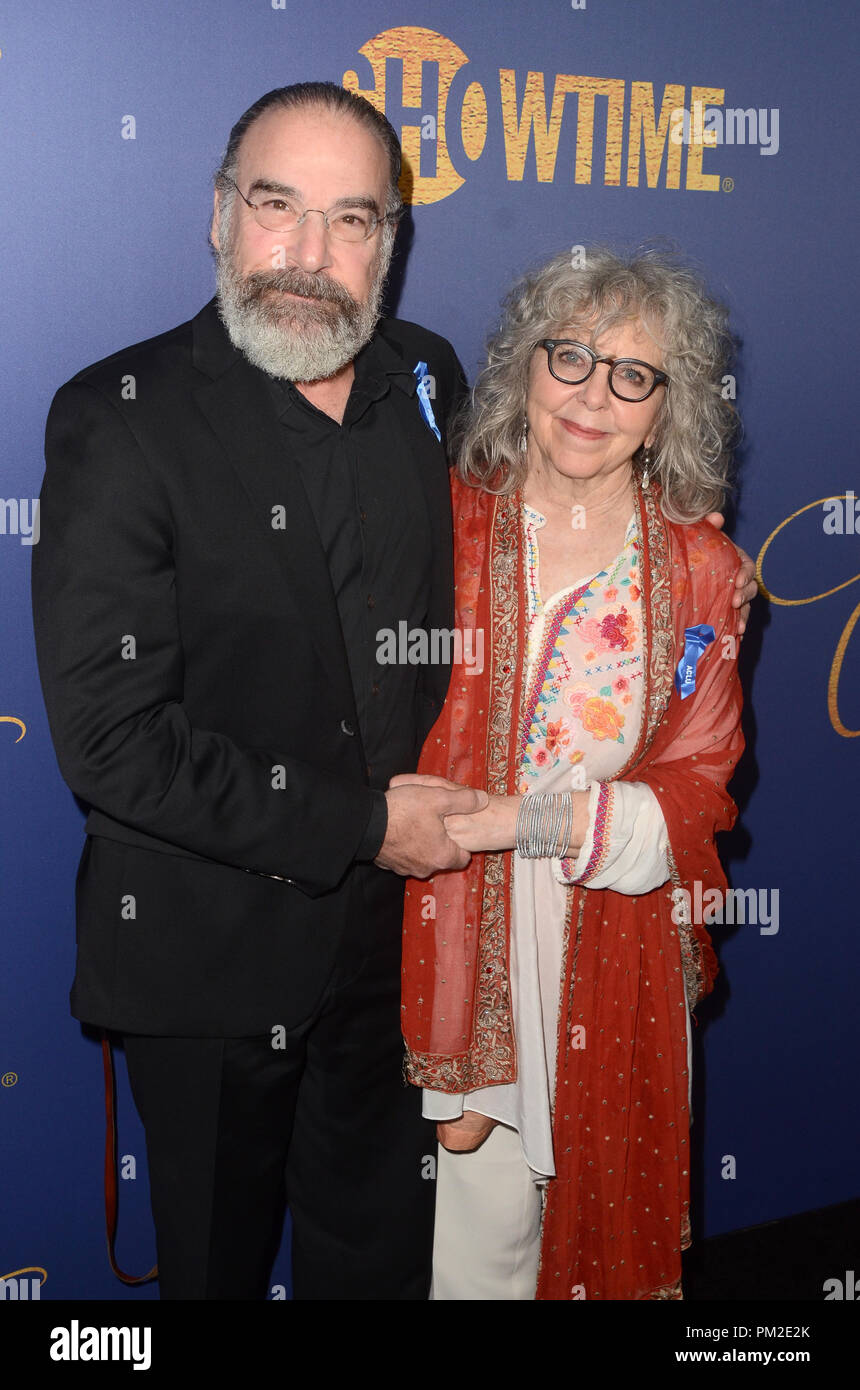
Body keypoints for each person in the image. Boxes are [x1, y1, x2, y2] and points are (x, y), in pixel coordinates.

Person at [31, 81, 485, 1301]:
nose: (308, 256)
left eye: (352, 219)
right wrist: (363, 825)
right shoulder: (119, 418)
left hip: (401, 953)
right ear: (220, 217)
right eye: (277, 206)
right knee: (217, 1273)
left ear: (390, 240)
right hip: (208, 956)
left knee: (381, 1261)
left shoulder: (429, 380)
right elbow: (114, 744)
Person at [399, 246, 748, 1300]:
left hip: (614, 925)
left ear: (665, 406)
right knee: (470, 1228)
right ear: (521, 366)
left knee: (600, 1227)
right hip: (445, 915)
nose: (593, 395)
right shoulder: (437, 523)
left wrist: (514, 821)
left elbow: (701, 784)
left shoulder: (702, 568)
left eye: (631, 374)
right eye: (569, 358)